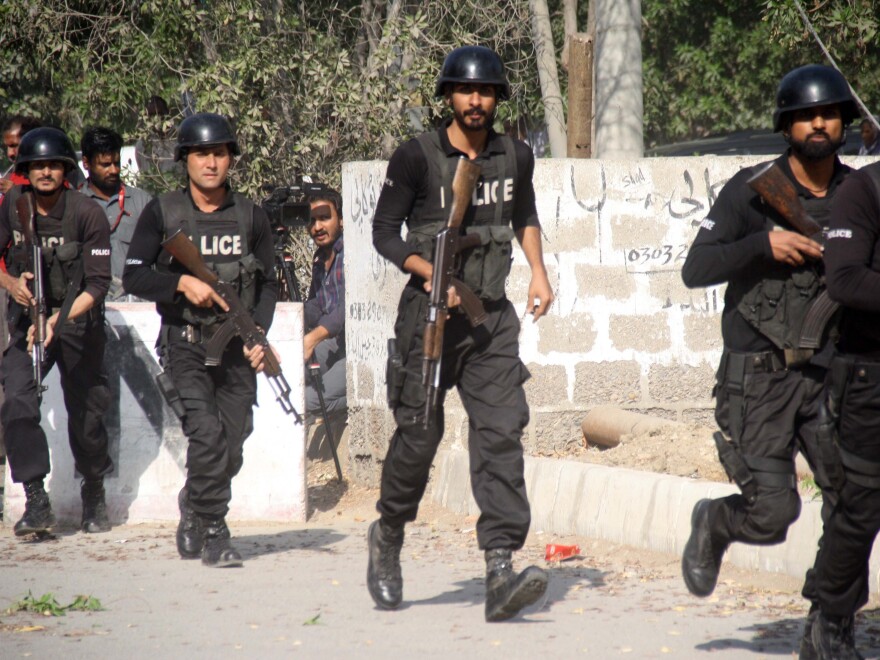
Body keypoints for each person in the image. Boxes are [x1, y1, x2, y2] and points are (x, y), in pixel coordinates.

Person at [369, 45, 554, 622]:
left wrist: (540, 272)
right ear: (448, 95)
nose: (477, 101)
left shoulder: (515, 154)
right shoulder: (416, 157)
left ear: (498, 98)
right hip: (429, 321)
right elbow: (383, 233)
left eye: (487, 92)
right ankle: (389, 531)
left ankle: (499, 566)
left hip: (491, 320)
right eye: (466, 91)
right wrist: (433, 277)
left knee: (501, 430)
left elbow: (523, 214)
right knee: (420, 436)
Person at [680, 64, 859, 657]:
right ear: (787, 125)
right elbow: (695, 269)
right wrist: (764, 244)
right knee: (773, 513)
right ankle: (716, 522)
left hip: (833, 376)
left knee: (855, 503)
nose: (818, 123)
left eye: (829, 113)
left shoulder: (860, 196)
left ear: (845, 124)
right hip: (758, 380)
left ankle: (829, 626)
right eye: (807, 114)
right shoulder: (751, 191)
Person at [122, 112, 278, 568]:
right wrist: (180, 286)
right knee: (206, 436)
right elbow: (133, 274)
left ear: (231, 159)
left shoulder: (251, 216)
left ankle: (193, 505)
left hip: (235, 348)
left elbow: (268, 284)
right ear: (185, 159)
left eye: (220, 153)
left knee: (231, 444)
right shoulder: (164, 212)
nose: (211, 163)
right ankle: (214, 529)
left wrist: (258, 333)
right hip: (185, 344)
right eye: (201, 154)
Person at [0, 127, 113, 536]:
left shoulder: (87, 213)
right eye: (36, 165)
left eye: (52, 165)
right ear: (25, 170)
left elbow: (98, 285)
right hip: (27, 324)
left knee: (87, 415)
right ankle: (36, 500)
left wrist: (55, 321)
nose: (44, 172)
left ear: (65, 170)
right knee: (17, 401)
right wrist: (12, 284)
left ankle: (94, 491)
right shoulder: (14, 205)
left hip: (77, 325)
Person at [807, 159, 880, 658]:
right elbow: (845, 280)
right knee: (860, 509)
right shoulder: (866, 188)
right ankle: (828, 621)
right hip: (870, 375)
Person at [79, 127, 153, 300]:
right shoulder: (74, 204)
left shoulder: (142, 202)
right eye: (105, 165)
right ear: (86, 163)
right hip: (88, 305)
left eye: (116, 163)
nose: (113, 170)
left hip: (137, 306)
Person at [303, 187, 346, 419]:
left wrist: (312, 338)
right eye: (312, 221)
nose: (317, 227)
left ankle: (377, 395)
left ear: (340, 219)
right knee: (292, 377)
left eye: (324, 218)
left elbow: (344, 310)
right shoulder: (319, 258)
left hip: (356, 348)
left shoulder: (351, 252)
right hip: (332, 343)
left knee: (309, 400)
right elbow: (317, 305)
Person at [0, 116, 42, 197]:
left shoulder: (49, 177)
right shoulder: (13, 175)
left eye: (15, 146)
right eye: (8, 147)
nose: (10, 153)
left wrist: (15, 192)